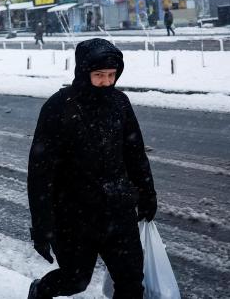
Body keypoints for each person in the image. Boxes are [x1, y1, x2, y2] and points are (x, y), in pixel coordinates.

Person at [27, 38, 157, 299]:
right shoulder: (58, 107)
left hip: (118, 209)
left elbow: (134, 153)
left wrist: (147, 193)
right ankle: (41, 290)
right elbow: (40, 173)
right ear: (83, 72)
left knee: (131, 281)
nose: (107, 82)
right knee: (75, 280)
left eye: (112, 75)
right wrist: (42, 226)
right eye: (99, 75)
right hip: (74, 216)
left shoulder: (120, 103)